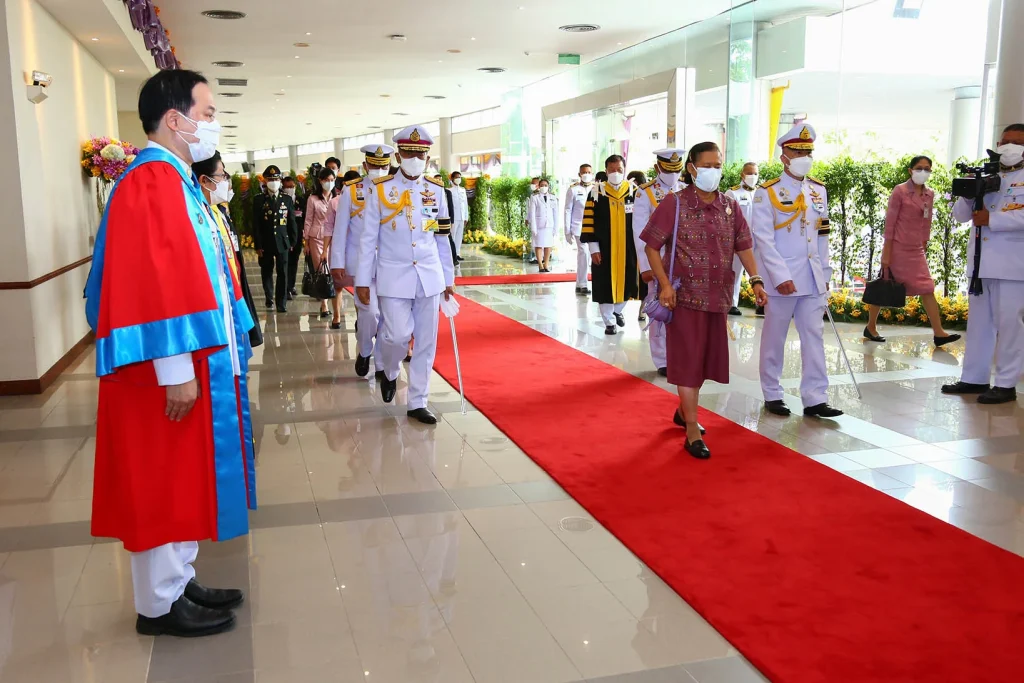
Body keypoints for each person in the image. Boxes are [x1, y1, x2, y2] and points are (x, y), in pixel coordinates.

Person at [83, 69, 256, 638]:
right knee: (161, 476)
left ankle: (179, 579)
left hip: (187, 361)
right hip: (166, 369)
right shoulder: (153, 182)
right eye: (206, 112)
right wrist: (176, 371)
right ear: (175, 119)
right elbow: (152, 285)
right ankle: (157, 604)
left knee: (183, 473)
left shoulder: (176, 180)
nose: (213, 123)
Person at [641, 141, 768, 459]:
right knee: (688, 361)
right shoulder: (675, 203)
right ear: (692, 168)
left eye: (718, 164)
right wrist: (665, 285)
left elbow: (744, 244)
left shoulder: (729, 205)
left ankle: (684, 411)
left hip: (718, 297)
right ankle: (693, 429)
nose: (714, 170)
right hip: (683, 298)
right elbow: (651, 247)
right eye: (708, 165)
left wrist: (755, 279)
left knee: (704, 359)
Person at [356, 125, 456, 424]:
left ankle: (417, 401)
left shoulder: (436, 190)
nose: (415, 158)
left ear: (427, 157)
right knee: (396, 335)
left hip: (429, 276)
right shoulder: (381, 189)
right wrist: (362, 281)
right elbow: (367, 238)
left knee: (426, 342)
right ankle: (389, 369)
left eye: (421, 154)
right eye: (410, 153)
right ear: (398, 155)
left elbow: (442, 237)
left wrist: (448, 278)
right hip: (393, 276)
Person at [752, 123, 844, 419]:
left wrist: (826, 274)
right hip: (783, 281)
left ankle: (816, 397)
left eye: (808, 151)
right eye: (797, 151)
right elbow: (763, 239)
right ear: (784, 156)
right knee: (774, 338)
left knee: (814, 337)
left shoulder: (818, 190)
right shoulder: (767, 192)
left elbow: (822, 236)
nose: (804, 156)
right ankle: (772, 393)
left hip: (813, 278)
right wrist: (781, 277)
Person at [941, 123, 1024, 404]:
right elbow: (961, 216)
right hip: (981, 264)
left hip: (1014, 266)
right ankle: (973, 378)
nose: (1008, 147)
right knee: (979, 324)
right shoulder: (988, 174)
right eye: (1005, 141)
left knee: (1010, 326)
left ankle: (1006, 384)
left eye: (1016, 142)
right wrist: (969, 190)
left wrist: (994, 220)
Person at [863, 156, 961, 347]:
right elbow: (890, 224)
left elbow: (927, 222)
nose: (923, 172)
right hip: (897, 247)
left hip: (916, 249)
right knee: (886, 284)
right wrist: (886, 253)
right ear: (910, 170)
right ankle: (871, 326)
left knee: (927, 288)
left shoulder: (929, 194)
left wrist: (924, 245)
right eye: (919, 168)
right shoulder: (900, 191)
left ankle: (939, 333)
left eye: (927, 169)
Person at [193, 151, 263, 348]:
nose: (226, 180)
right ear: (204, 181)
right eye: (222, 175)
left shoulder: (217, 210)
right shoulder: (201, 215)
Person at [332, 147, 393, 365]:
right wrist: (337, 262)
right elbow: (340, 229)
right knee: (369, 313)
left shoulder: (395, 190)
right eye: (374, 166)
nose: (379, 170)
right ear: (365, 166)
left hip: (391, 264)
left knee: (389, 319)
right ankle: (365, 349)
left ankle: (380, 364)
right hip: (362, 264)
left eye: (383, 166)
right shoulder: (352, 190)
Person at [633, 149, 685, 374]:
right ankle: (662, 359)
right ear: (657, 168)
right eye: (667, 170)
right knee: (660, 308)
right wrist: (645, 266)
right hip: (658, 259)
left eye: (677, 170)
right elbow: (639, 231)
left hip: (684, 260)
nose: (672, 175)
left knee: (683, 310)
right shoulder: (645, 193)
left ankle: (681, 354)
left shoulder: (687, 191)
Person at [581, 155, 640, 335]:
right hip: (604, 248)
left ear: (624, 170)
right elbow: (589, 221)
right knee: (604, 283)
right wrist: (593, 249)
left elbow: (641, 220)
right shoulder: (596, 193)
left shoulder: (634, 191)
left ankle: (617, 310)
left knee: (629, 281)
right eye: (612, 170)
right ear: (606, 171)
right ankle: (609, 322)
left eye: (619, 170)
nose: (616, 173)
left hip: (628, 248)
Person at [253, 165, 297, 313]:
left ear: (280, 181)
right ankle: (269, 298)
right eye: (270, 179)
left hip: (282, 242)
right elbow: (256, 225)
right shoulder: (259, 200)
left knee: (282, 273)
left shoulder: (287, 199)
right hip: (265, 242)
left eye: (276, 179)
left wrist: (292, 241)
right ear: (265, 180)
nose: (273, 182)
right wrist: (258, 245)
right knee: (266, 271)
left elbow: (291, 222)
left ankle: (281, 302)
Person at [725, 162, 759, 316]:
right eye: (749, 173)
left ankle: (761, 303)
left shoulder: (760, 194)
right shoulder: (733, 193)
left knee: (759, 272)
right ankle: (732, 303)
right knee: (735, 271)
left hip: (757, 240)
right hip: (738, 240)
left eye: (755, 173)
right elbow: (726, 218)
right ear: (742, 175)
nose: (753, 176)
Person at [304, 166, 338, 320]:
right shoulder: (313, 199)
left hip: (334, 238)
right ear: (320, 181)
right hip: (316, 238)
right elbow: (308, 220)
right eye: (326, 180)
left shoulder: (338, 198)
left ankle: (334, 303)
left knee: (333, 270)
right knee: (322, 271)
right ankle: (324, 304)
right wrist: (306, 242)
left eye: (332, 180)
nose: (329, 183)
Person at [564, 163, 595, 295]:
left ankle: (579, 283)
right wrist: (567, 230)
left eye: (588, 172)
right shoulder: (573, 190)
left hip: (594, 228)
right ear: (579, 174)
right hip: (579, 227)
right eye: (584, 172)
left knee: (590, 255)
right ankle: (583, 283)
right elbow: (567, 210)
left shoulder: (596, 188)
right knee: (584, 253)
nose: (586, 174)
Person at [529, 178, 559, 272]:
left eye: (546, 185)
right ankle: (540, 265)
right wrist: (533, 227)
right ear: (539, 186)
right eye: (542, 185)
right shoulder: (535, 197)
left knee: (548, 245)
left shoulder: (553, 197)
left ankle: (546, 264)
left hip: (549, 225)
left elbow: (555, 213)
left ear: (548, 186)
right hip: (539, 225)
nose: (544, 187)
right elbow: (532, 213)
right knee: (538, 245)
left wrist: (556, 227)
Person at [282, 175, 303, 300]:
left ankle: (292, 285)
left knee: (294, 262)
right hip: (285, 237)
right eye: (287, 187)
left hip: (298, 237)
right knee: (286, 263)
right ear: (283, 188)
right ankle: (286, 288)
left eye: (292, 187)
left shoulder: (300, 200)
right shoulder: (282, 201)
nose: (290, 189)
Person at [449, 171, 470, 262]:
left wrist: (466, 217)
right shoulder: (449, 190)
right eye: (457, 177)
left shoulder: (463, 190)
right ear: (452, 179)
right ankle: (451, 254)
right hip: (453, 218)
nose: (458, 179)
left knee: (459, 236)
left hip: (461, 217)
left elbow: (465, 204)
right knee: (452, 236)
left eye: (460, 177)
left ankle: (457, 254)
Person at [527, 176, 541, 264]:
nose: (532, 185)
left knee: (541, 240)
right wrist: (527, 219)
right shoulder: (532, 195)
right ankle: (537, 257)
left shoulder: (542, 195)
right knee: (535, 240)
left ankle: (540, 258)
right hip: (533, 220)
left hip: (540, 221)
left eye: (534, 183)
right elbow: (529, 209)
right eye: (532, 183)